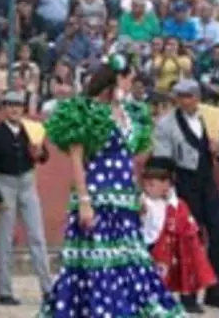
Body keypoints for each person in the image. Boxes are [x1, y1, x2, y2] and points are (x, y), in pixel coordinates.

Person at [40, 53, 184, 317]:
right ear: (116, 79)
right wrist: (84, 202)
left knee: (130, 258)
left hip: (123, 199)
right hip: (97, 198)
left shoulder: (129, 113)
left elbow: (129, 159)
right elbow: (76, 159)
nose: (132, 85)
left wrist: (136, 193)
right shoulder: (86, 110)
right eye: (129, 79)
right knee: (98, 262)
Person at [152, 78, 219, 313]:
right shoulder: (166, 124)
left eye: (187, 96)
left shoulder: (208, 118)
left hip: (207, 182)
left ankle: (215, 292)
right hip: (184, 182)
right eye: (179, 96)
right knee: (191, 239)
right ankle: (189, 297)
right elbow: (162, 158)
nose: (182, 100)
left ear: (197, 98)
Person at [0, 90, 54, 305]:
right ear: (4, 108)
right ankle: (4, 291)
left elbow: (43, 156)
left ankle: (47, 289)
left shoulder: (30, 129)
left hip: (28, 183)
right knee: (5, 240)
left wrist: (39, 153)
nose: (14, 109)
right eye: (10, 105)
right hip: (5, 185)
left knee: (37, 237)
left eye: (18, 105)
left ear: (23, 108)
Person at [141, 156, 217, 296]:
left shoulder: (177, 205)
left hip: (166, 253)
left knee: (162, 287)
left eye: (151, 184)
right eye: (144, 184)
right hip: (145, 250)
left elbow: (189, 232)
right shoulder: (142, 202)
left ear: (167, 184)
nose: (147, 188)